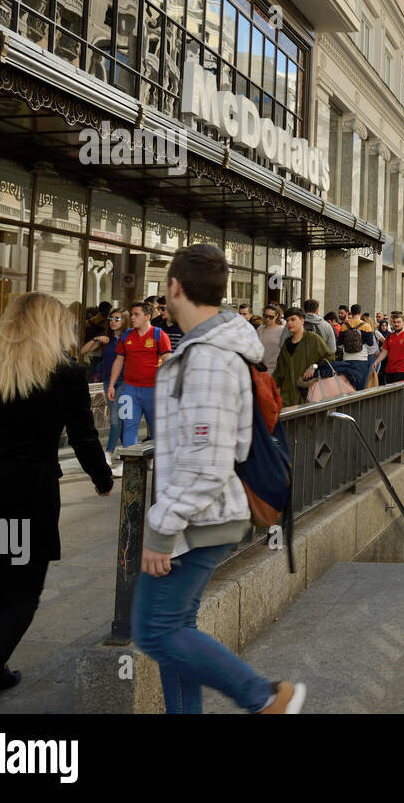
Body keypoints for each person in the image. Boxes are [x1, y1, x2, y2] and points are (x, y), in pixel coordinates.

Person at [133, 243, 304, 714]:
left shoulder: (209, 357)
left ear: (174, 288)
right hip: (203, 512)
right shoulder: (209, 349)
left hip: (200, 515)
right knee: (176, 630)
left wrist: (161, 526)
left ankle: (266, 697)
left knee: (154, 630)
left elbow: (208, 462)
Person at [0, 292, 113, 712]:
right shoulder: (66, 374)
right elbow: (83, 437)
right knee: (23, 590)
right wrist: (103, 478)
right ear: (50, 326)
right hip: (31, 493)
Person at [107, 301, 173, 447]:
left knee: (156, 430)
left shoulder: (159, 335)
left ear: (147, 316)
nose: (132, 317)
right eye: (132, 314)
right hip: (129, 390)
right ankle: (131, 464)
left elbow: (168, 362)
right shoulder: (126, 336)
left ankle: (155, 463)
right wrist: (111, 385)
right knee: (129, 427)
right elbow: (119, 360)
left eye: (136, 314)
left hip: (153, 390)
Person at [80, 307, 128, 474]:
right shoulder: (107, 338)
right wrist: (97, 339)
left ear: (124, 320)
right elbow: (83, 350)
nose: (113, 322)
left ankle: (107, 453)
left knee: (115, 417)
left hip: (124, 382)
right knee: (120, 420)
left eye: (117, 319)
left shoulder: (128, 338)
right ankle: (130, 454)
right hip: (108, 381)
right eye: (111, 318)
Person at [273, 307, 332, 407]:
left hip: (308, 396)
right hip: (287, 398)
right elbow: (279, 372)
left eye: (293, 319)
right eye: (287, 320)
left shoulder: (313, 338)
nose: (289, 323)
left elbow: (330, 357)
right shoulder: (286, 344)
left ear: (302, 320)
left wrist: (314, 366)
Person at [376, 311, 404, 383]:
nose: (396, 324)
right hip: (389, 370)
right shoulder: (389, 337)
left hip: (403, 370)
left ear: (403, 323)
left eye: (399, 322)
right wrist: (376, 362)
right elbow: (385, 352)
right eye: (395, 322)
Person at [257, 304, 285, 373]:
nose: (267, 319)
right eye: (265, 316)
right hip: (261, 369)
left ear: (276, 316)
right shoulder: (259, 330)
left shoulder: (282, 330)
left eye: (271, 317)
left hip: (277, 370)